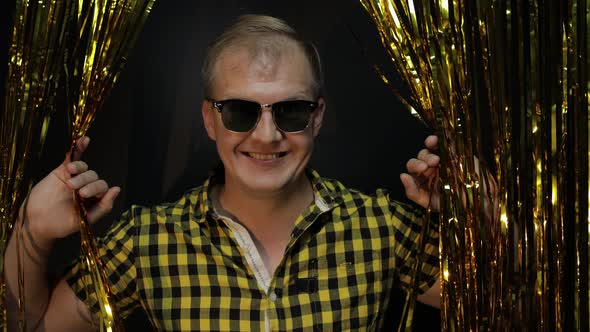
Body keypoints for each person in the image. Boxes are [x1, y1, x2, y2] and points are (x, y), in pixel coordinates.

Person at [5, 15, 442, 331]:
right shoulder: (147, 239)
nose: (267, 135)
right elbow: (32, 324)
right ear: (210, 120)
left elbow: (502, 310)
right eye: (239, 111)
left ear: (318, 117)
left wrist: (483, 221)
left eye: (291, 111)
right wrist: (31, 232)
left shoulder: (382, 225)